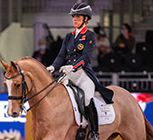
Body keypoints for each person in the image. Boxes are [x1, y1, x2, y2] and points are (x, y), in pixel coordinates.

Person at [46, 3, 114, 139]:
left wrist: (73, 66)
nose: (74, 19)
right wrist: (53, 67)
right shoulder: (68, 37)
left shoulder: (90, 36)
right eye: (73, 17)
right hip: (67, 74)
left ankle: (94, 132)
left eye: (77, 16)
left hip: (83, 74)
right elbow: (61, 56)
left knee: (88, 98)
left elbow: (85, 57)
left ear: (85, 19)